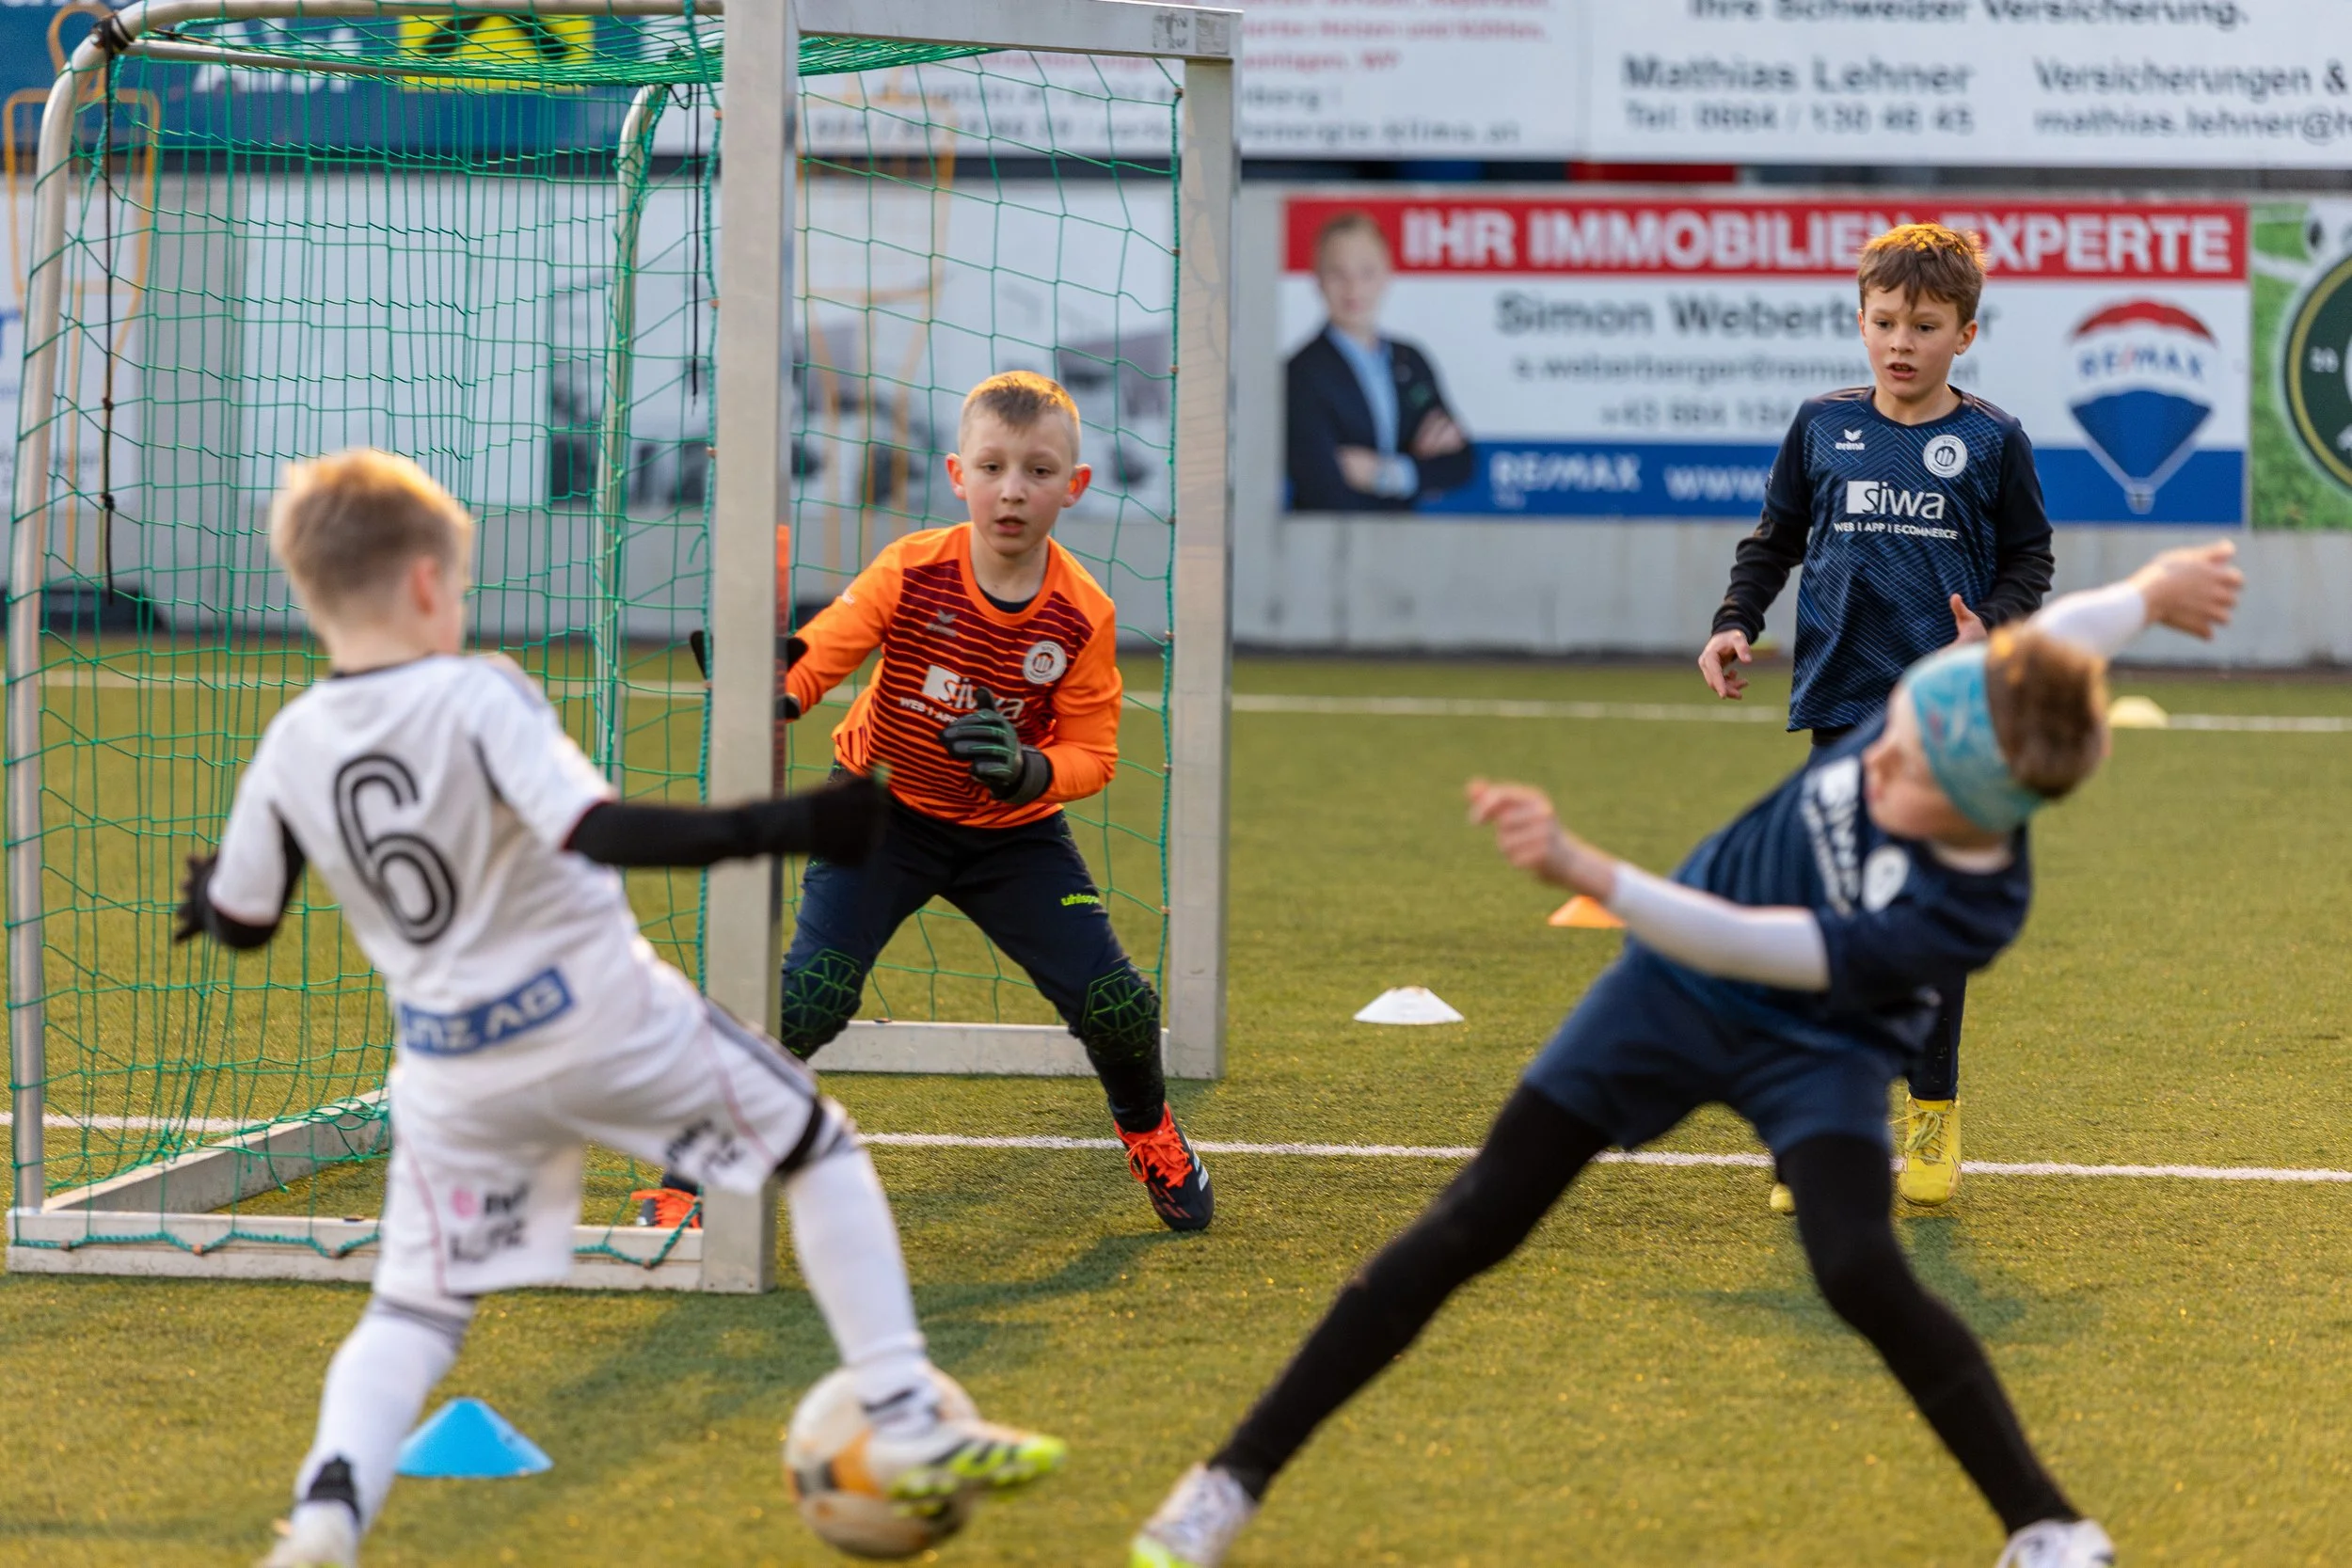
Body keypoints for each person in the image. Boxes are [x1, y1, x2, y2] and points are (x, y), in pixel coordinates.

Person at [1130, 542, 2244, 1568]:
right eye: (1891, 741)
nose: (1878, 766)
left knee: (1857, 1266)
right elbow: (2067, 637)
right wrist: (2152, 593)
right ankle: (1230, 1479)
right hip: (1668, 993)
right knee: (1478, 1215)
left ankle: (2047, 1525)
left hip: (1818, 1031)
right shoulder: (1941, 702)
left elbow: (1763, 944)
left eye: (1904, 779)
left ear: (1978, 813)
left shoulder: (1974, 907)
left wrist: (1590, 870)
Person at [173, 451, 1065, 1568]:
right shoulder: (476, 690)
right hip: (596, 1013)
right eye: (455, 583)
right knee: (816, 1144)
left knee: (413, 1313)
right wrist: (790, 823)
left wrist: (208, 897)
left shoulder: (292, 740)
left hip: (452, 1071)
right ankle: (906, 1414)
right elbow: (594, 829)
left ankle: (323, 1521)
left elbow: (247, 918)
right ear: (419, 586)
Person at [760, 370, 1211, 1232]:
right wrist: (776, 686)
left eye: (1039, 471)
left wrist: (1027, 772)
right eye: (993, 466)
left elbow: (1095, 753)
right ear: (957, 474)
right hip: (880, 814)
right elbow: (824, 652)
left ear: (1073, 487)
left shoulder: (1084, 613)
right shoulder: (912, 567)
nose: (1013, 489)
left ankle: (1149, 1128)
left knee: (1120, 1006)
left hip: (1014, 836)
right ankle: (694, 1162)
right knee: (810, 996)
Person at [1697, 222, 2058, 1210]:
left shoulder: (1992, 440)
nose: (1902, 340)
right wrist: (1735, 621)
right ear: (1860, 321)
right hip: (1841, 710)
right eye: (1885, 320)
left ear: (1964, 333)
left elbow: (2031, 562)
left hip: (1946, 723)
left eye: (1925, 324)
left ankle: (1930, 1109)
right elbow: (1773, 540)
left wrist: (1987, 625)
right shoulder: (1819, 425)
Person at [1285, 211, 1473, 513]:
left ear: (1387, 274)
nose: (1353, 288)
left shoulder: (1410, 360)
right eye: (1338, 273)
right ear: (1318, 278)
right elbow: (1322, 485)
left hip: (1402, 544)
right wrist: (1417, 469)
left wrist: (1386, 474)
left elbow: (1461, 462)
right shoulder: (1299, 373)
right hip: (1327, 546)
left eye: (1366, 272)